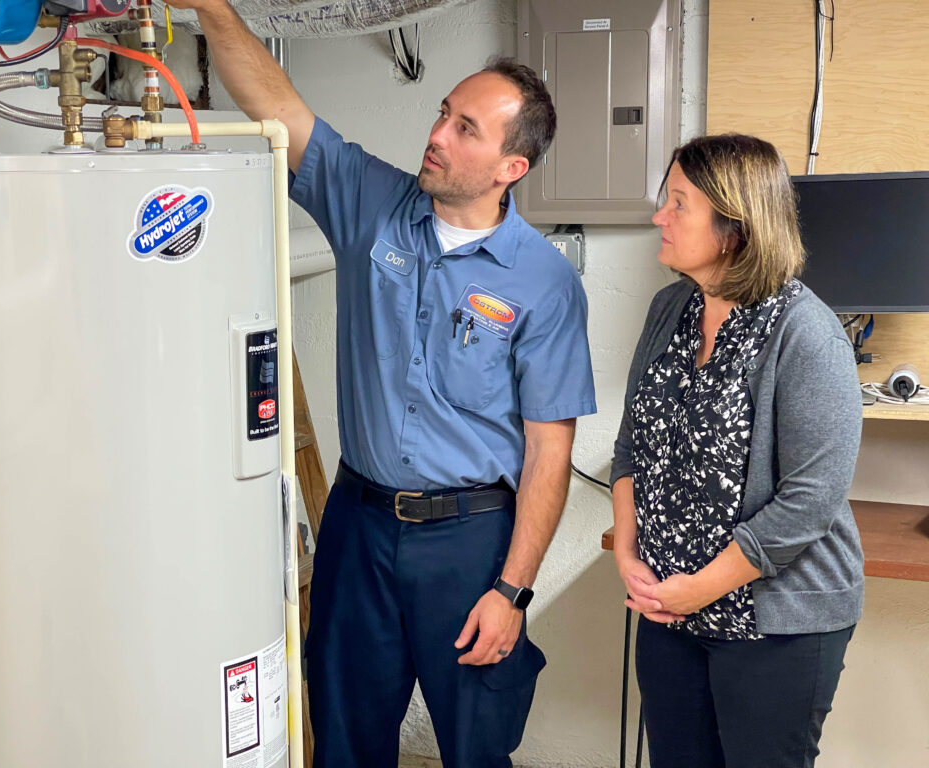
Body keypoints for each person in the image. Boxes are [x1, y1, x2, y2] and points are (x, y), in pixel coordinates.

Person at [165, 2, 596, 766]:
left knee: (474, 746)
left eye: (466, 127)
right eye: (443, 113)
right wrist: (210, 10)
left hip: (470, 543)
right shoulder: (373, 206)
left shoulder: (545, 282)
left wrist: (513, 592)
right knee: (345, 740)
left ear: (511, 168)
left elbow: (547, 454)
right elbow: (278, 107)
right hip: (359, 529)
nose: (436, 134)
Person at [610, 133, 863, 768]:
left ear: (734, 226)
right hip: (670, 610)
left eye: (677, 204)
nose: (657, 219)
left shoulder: (806, 332)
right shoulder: (670, 309)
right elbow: (631, 445)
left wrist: (700, 588)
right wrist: (630, 552)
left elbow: (808, 504)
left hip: (776, 623)